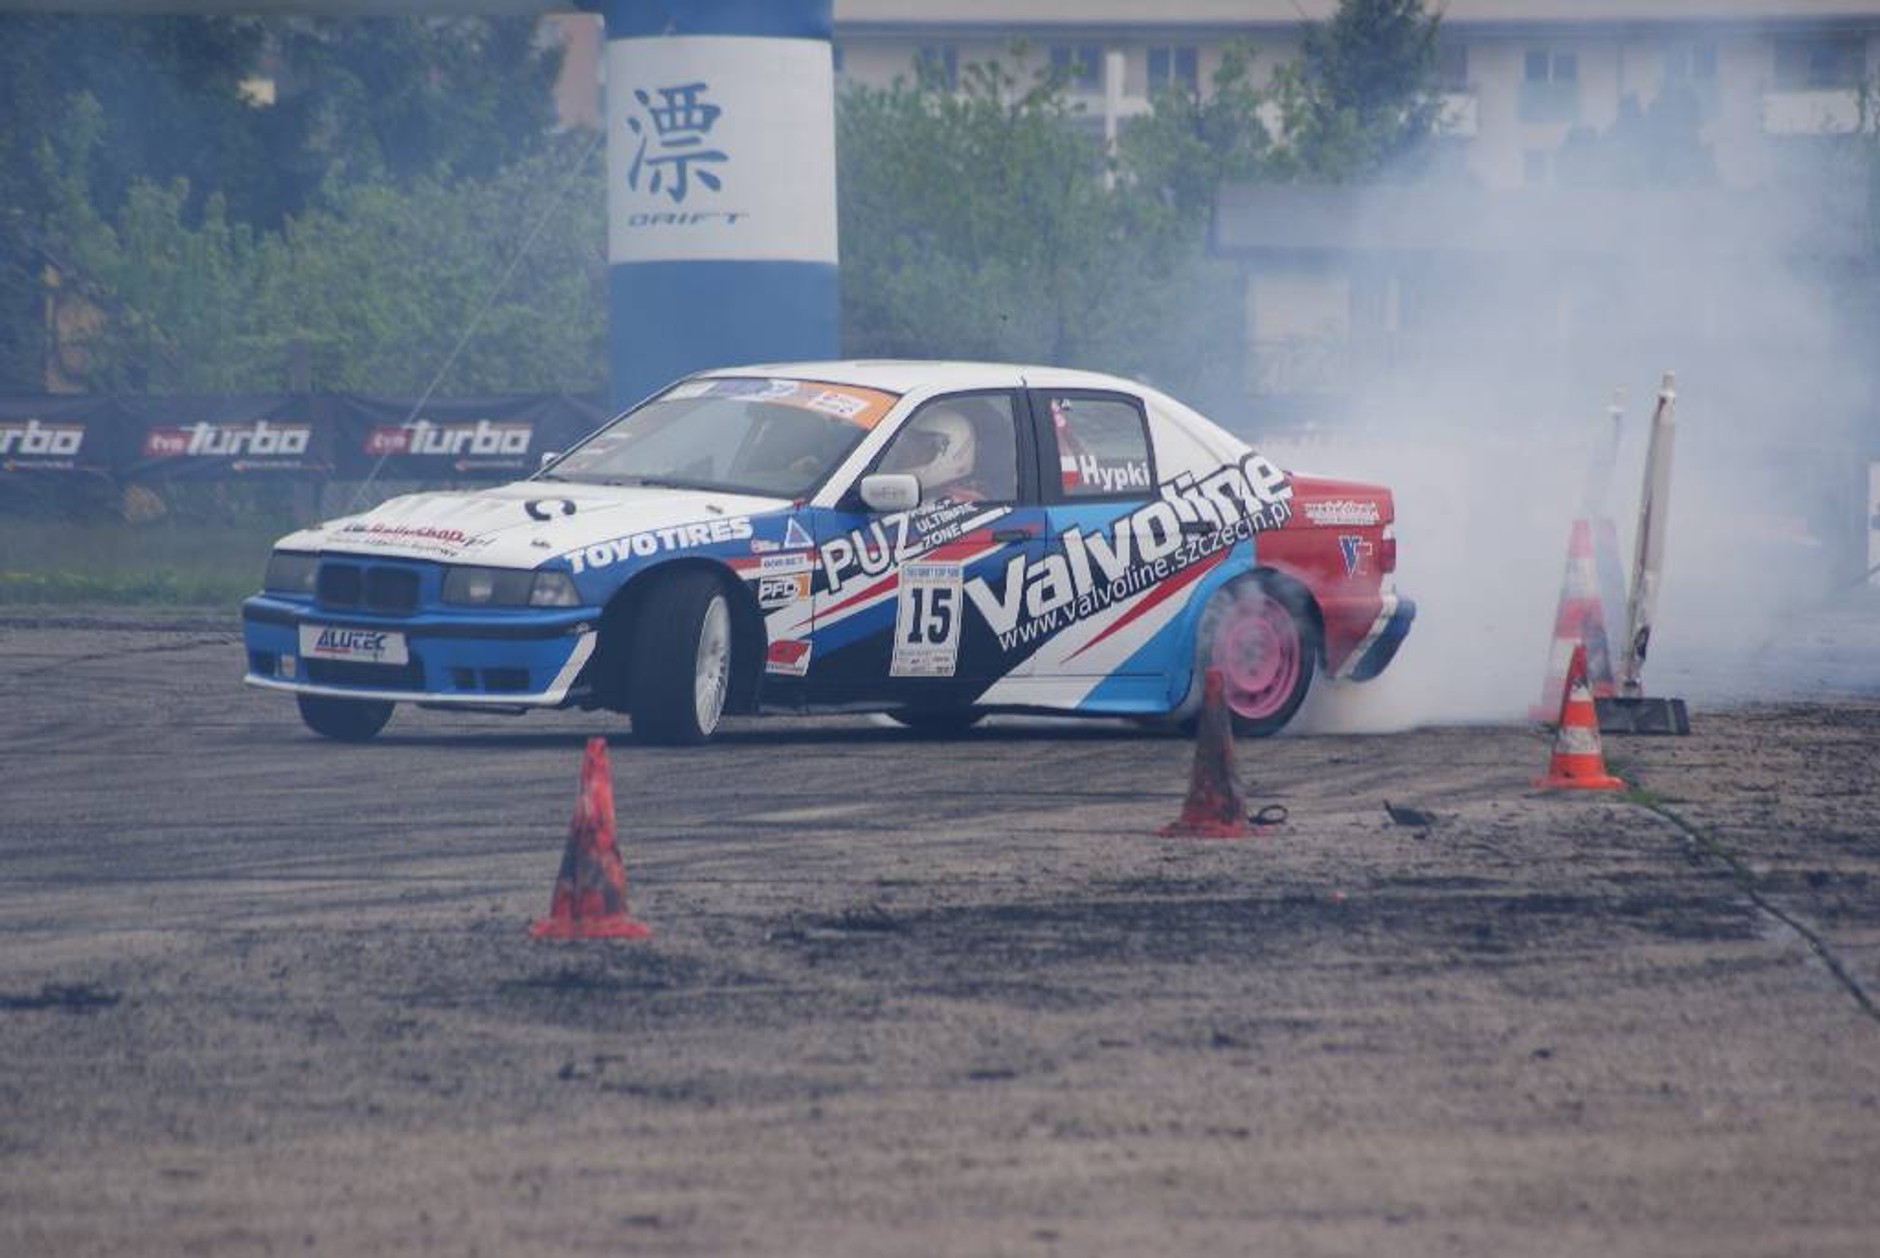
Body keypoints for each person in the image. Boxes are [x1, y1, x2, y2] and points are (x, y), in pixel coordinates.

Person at [883, 407, 986, 501]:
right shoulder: (910, 494)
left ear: (953, 452)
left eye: (920, 445)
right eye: (909, 441)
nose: (906, 453)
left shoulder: (963, 502)